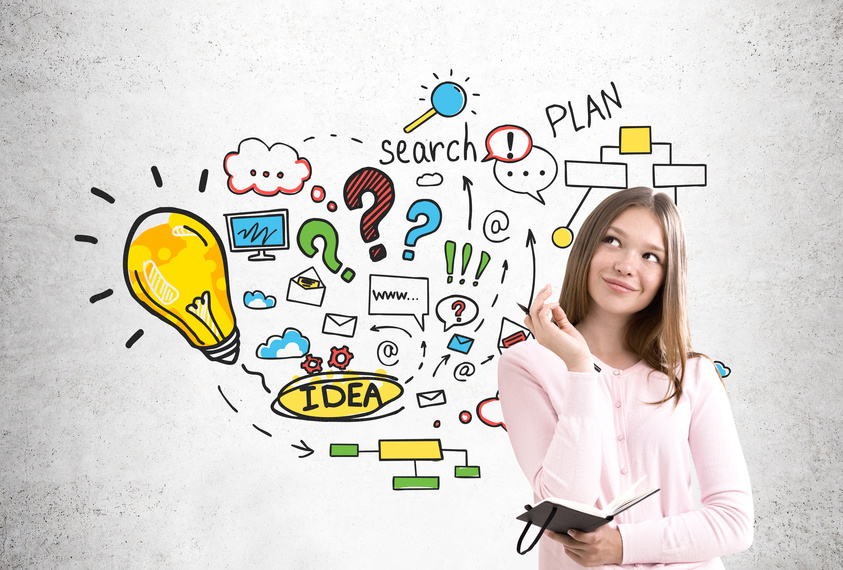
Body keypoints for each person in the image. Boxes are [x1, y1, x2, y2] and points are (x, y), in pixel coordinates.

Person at [498, 187, 753, 569]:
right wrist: (579, 369)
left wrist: (623, 545)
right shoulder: (526, 364)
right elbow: (563, 499)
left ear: (668, 276)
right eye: (613, 241)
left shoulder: (694, 374)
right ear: (586, 246)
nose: (626, 265)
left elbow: (734, 522)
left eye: (651, 256)